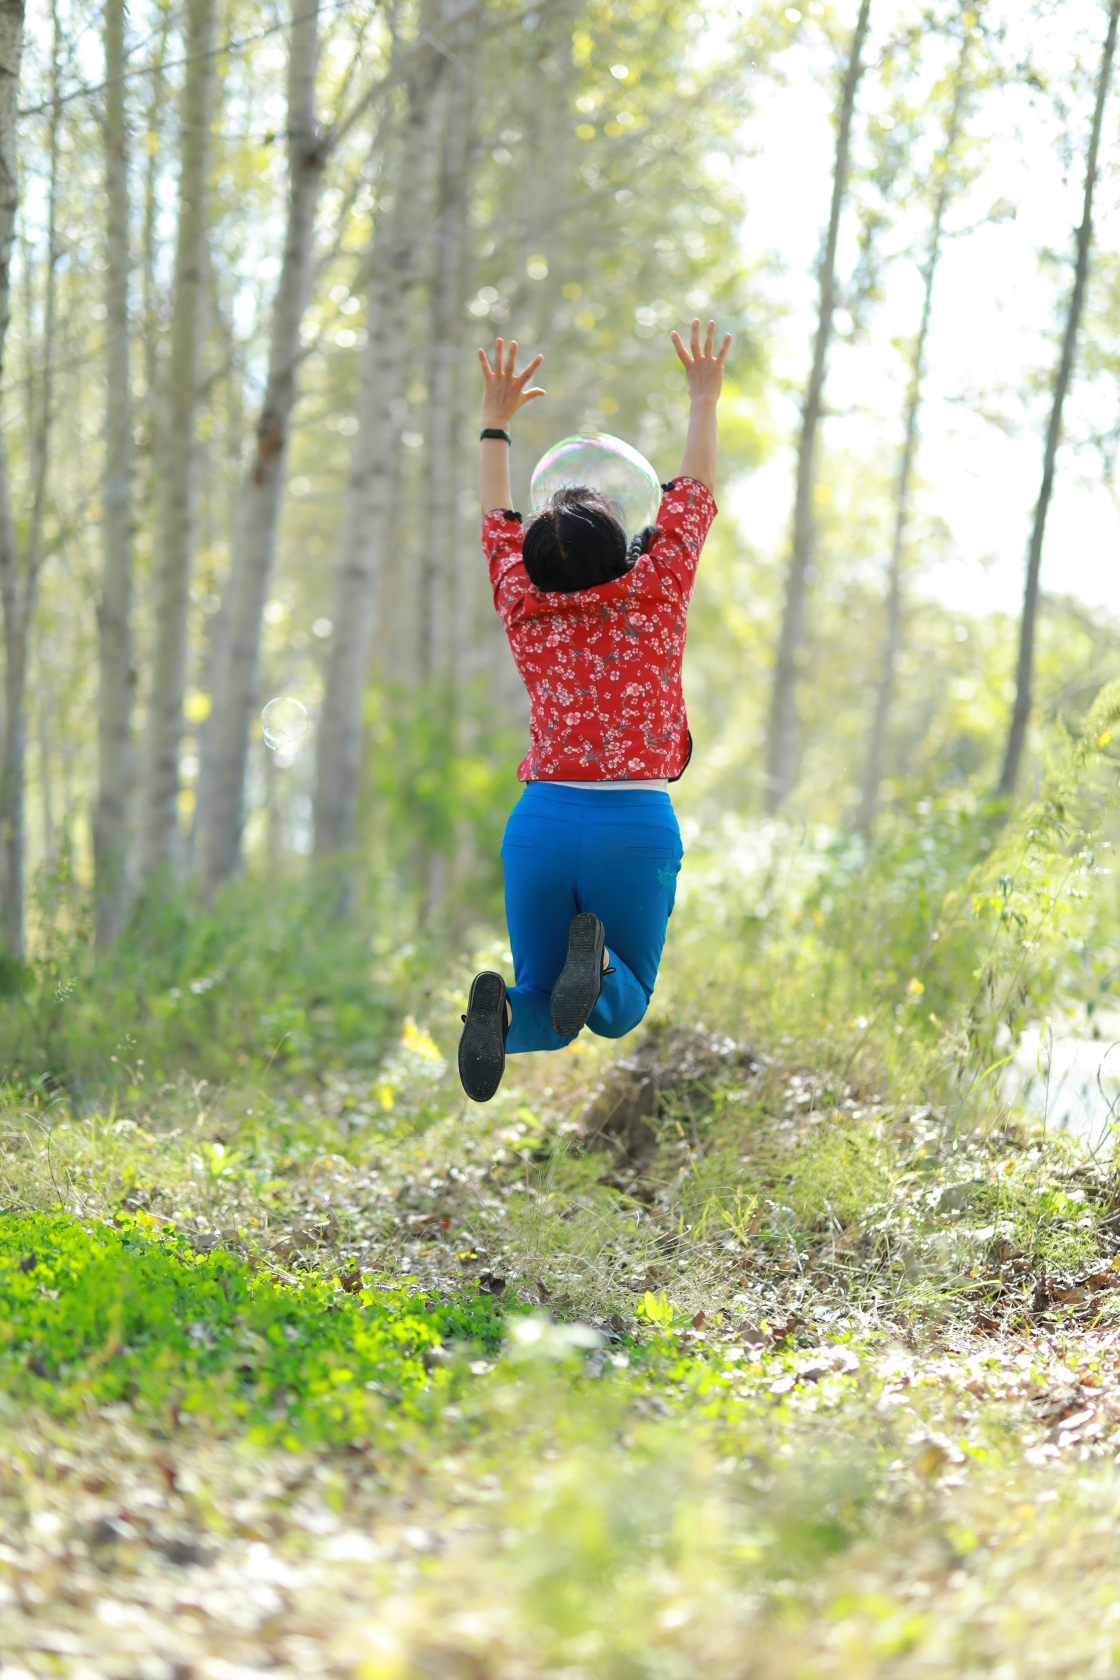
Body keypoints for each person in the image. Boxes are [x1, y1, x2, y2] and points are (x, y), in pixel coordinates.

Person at [457, 318, 731, 1102]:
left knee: (545, 1001)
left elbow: (494, 525)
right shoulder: (657, 592)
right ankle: (602, 966)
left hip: (540, 824)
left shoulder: (523, 605)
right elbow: (693, 494)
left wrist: (495, 424)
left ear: (539, 561)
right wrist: (704, 399)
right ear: (623, 543)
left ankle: (501, 1011)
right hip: (632, 824)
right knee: (621, 1006)